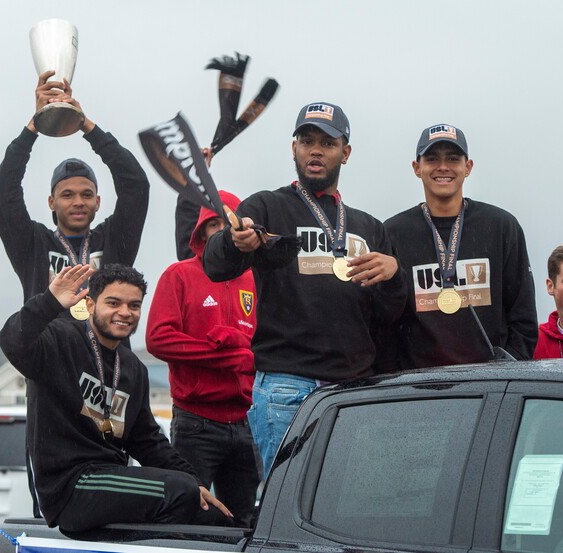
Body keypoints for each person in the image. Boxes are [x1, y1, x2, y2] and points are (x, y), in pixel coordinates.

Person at [203, 102, 407, 477]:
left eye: (327, 143)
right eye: (307, 140)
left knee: (343, 504)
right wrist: (235, 242)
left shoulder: (370, 227)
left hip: (353, 388)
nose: (316, 150)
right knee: (286, 508)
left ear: (345, 153)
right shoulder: (267, 206)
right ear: (293, 148)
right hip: (286, 386)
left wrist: (395, 275)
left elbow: (388, 316)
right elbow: (216, 266)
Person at [0, 264, 232, 532]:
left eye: (134, 305)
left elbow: (148, 441)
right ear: (89, 304)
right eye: (113, 302)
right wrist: (49, 302)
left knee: (211, 516)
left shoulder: (133, 368)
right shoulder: (59, 341)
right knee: (179, 492)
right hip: (72, 485)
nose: (125, 312)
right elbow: (12, 341)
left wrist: (196, 482)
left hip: (110, 479)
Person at [381, 124, 537, 369]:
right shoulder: (392, 232)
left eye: (453, 159)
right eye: (432, 159)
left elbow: (523, 313)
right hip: (418, 386)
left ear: (468, 167)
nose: (443, 167)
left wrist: (509, 370)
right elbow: (386, 318)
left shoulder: (501, 226)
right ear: (417, 168)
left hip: (488, 385)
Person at [146, 190, 260, 527]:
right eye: (212, 224)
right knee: (186, 522)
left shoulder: (256, 278)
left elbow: (269, 346)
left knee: (242, 524)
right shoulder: (179, 275)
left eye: (228, 222)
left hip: (247, 423)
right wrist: (223, 356)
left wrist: (245, 352)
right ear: (200, 232)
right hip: (196, 423)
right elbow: (157, 339)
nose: (220, 230)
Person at [0, 70, 149, 306]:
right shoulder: (33, 244)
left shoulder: (115, 240)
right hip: (48, 342)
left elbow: (135, 185)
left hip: (104, 343)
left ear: (97, 202)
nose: (78, 202)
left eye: (87, 194)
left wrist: (84, 124)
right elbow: (4, 193)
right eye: (67, 195)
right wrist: (36, 124)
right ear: (51, 202)